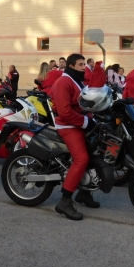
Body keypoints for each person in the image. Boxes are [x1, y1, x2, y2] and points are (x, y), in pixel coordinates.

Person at [50, 53, 98, 221]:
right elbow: (65, 111)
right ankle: (65, 201)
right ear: (71, 66)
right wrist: (86, 122)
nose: (84, 67)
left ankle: (84, 194)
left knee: (95, 153)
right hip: (68, 126)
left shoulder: (76, 80)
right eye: (80, 64)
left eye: (84, 64)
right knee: (81, 159)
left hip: (78, 123)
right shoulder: (64, 82)